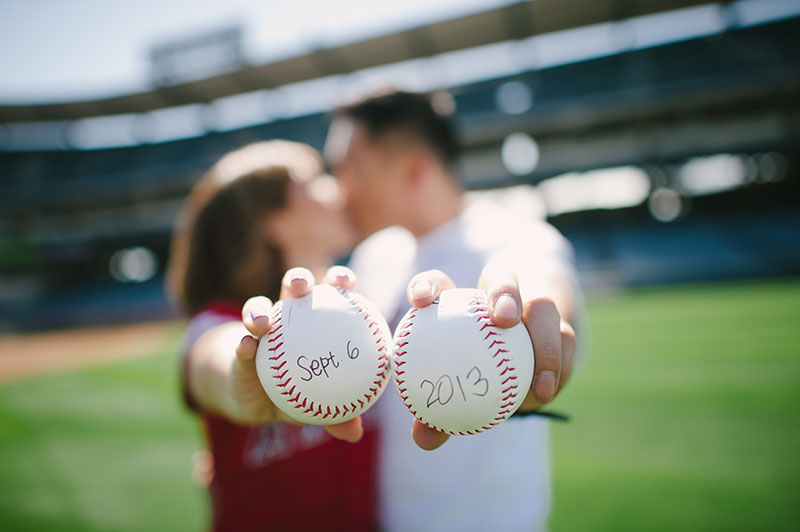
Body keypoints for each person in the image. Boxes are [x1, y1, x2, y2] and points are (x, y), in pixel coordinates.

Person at [320, 90, 584, 531]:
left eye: (349, 168)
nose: (336, 190)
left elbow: (541, 289)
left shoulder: (512, 240)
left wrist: (537, 320)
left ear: (413, 168)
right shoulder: (372, 255)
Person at [166, 140, 377, 531]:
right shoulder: (214, 323)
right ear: (274, 222)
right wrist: (248, 369)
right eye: (315, 182)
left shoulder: (362, 309)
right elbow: (218, 360)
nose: (337, 191)